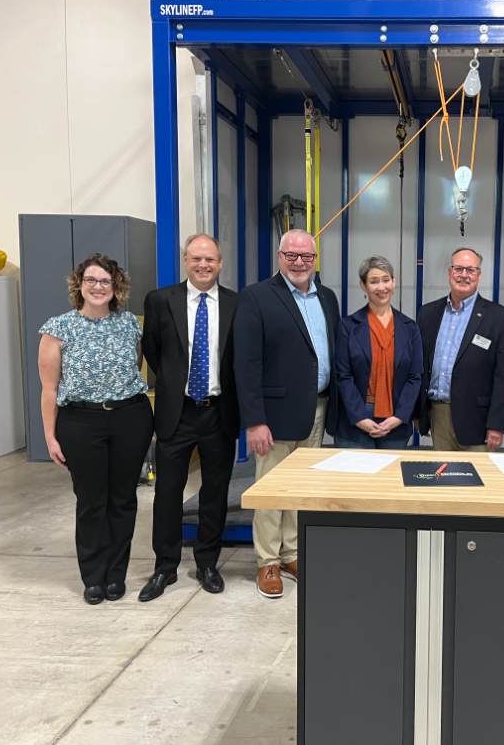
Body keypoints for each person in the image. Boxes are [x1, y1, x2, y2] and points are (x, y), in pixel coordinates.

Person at [38, 253, 153, 605]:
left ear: (116, 287)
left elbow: (133, 371)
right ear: (79, 285)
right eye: (91, 280)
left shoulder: (130, 325)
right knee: (90, 501)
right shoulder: (58, 329)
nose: (98, 287)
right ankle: (93, 576)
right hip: (80, 422)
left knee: (123, 499)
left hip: (129, 417)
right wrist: (50, 436)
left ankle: (116, 574)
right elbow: (50, 389)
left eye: (106, 281)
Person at [234, 229, 340, 599]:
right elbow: (246, 364)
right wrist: (254, 420)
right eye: (291, 256)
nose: (299, 263)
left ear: (315, 259)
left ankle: (292, 554)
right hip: (274, 414)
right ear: (279, 257)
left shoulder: (327, 297)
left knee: (302, 489)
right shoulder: (257, 297)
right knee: (271, 491)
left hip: (318, 407)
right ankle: (267, 562)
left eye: (306, 257)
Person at [138, 234, 240, 602]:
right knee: (167, 493)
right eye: (196, 258)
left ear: (220, 262)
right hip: (175, 414)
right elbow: (153, 349)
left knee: (215, 492)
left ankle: (207, 563)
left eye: (210, 259)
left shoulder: (234, 303)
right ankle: (165, 567)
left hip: (218, 412)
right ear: (185, 261)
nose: (203, 265)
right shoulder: (160, 300)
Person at [416, 247, 504, 451]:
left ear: (479, 275)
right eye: (458, 269)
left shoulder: (501, 318)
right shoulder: (428, 313)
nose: (464, 275)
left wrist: (497, 425)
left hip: (477, 420)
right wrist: (419, 413)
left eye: (471, 270)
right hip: (438, 415)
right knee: (442, 477)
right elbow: (419, 366)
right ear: (449, 272)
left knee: (475, 479)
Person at [335, 256, 423, 449]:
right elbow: (343, 376)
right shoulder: (348, 326)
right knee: (357, 478)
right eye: (373, 281)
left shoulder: (410, 328)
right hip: (356, 417)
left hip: (395, 417)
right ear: (363, 286)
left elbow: (415, 377)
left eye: (386, 280)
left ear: (393, 282)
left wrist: (400, 416)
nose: (381, 287)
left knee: (389, 478)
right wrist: (359, 418)